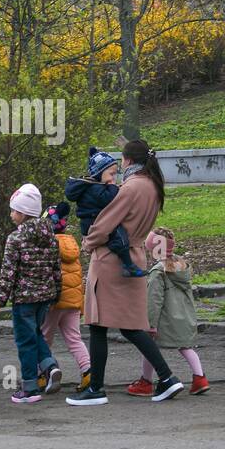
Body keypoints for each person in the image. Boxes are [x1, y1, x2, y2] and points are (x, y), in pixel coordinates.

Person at [67, 140, 184, 406]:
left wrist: (88, 242)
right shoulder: (153, 186)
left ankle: (96, 389)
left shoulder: (131, 187)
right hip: (135, 255)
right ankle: (166, 377)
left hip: (110, 259)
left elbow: (106, 222)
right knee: (132, 326)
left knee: (97, 323)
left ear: (129, 160)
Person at [0, 183, 62, 404]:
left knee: (25, 341)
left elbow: (8, 272)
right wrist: (57, 293)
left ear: (22, 212)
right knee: (36, 334)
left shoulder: (15, 238)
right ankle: (50, 366)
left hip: (24, 299)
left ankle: (30, 387)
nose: (11, 214)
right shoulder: (50, 236)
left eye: (13, 210)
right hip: (46, 296)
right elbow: (56, 267)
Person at [127, 227, 210, 396]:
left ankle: (146, 382)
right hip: (184, 318)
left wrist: (150, 324)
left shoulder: (158, 272)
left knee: (149, 348)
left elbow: (154, 301)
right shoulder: (182, 267)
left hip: (164, 320)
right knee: (186, 348)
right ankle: (200, 378)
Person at [65, 147, 145, 277]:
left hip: (90, 221)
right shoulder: (95, 189)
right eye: (111, 174)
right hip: (93, 222)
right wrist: (115, 187)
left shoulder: (92, 187)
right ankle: (128, 265)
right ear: (99, 173)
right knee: (120, 237)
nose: (114, 178)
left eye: (115, 174)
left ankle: (126, 264)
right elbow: (110, 198)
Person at [38, 202, 91, 393]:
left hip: (54, 301)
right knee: (74, 339)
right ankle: (88, 372)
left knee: (44, 338)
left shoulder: (47, 245)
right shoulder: (71, 243)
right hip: (73, 301)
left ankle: (43, 374)